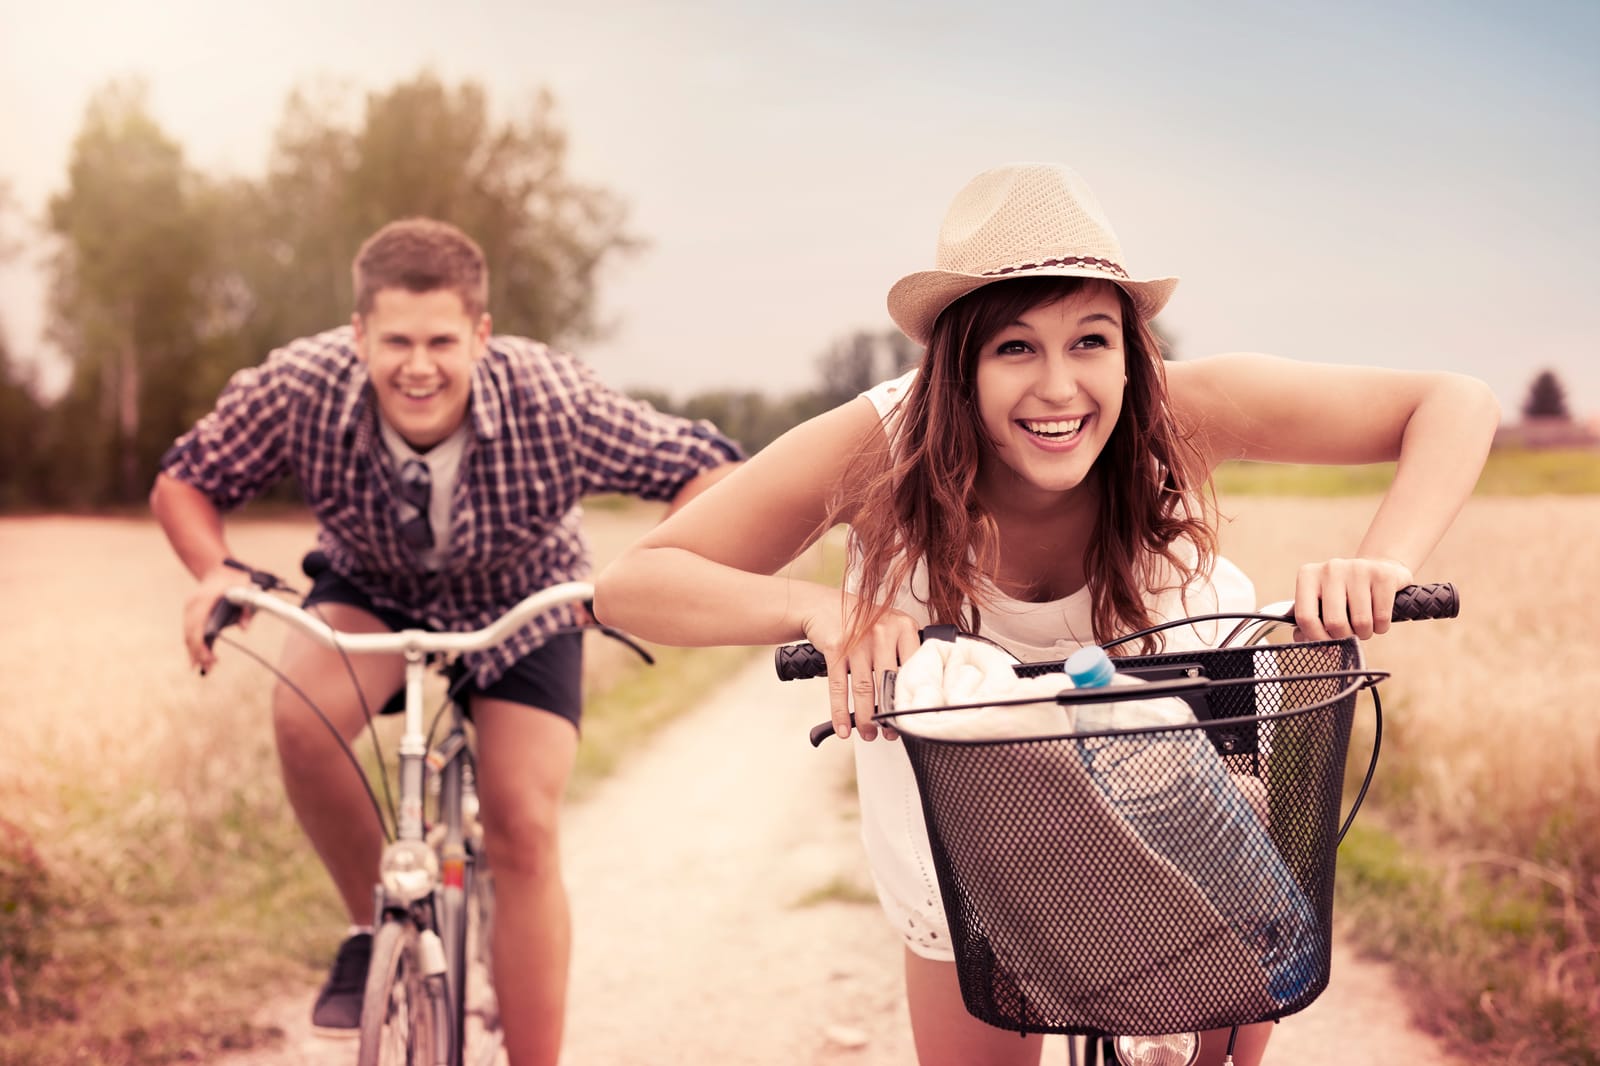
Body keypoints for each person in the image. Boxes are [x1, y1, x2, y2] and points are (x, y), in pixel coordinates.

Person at [591, 162, 1499, 1066]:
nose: (1060, 388)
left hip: (1181, 799)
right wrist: (820, 610)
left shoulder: (1176, 412)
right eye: (1015, 347)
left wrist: (1382, 562)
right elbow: (634, 585)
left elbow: (1453, 402)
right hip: (968, 843)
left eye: (1090, 340)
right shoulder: (882, 448)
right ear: (959, 366)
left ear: (1129, 349)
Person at [150, 217, 741, 1066]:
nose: (417, 366)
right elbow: (187, 478)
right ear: (358, 335)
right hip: (375, 593)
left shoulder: (551, 397)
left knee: (522, 825)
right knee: (301, 723)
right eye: (394, 340)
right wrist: (214, 570)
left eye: (440, 340)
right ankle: (368, 926)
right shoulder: (303, 386)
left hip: (529, 604)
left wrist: (632, 580)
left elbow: (711, 472)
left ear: (480, 335)